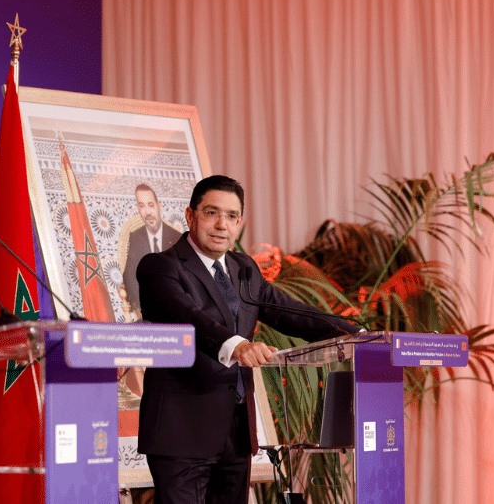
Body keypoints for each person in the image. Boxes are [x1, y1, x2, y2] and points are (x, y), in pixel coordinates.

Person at [136, 175, 360, 504]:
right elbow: (189, 317)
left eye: (231, 216)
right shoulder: (160, 267)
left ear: (240, 222)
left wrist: (358, 333)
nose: (221, 225)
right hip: (181, 434)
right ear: (190, 215)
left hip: (235, 432)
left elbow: (288, 310)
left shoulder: (244, 269)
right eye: (211, 213)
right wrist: (237, 346)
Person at [121, 183, 181, 318]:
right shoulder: (136, 237)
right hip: (147, 312)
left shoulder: (177, 238)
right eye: (142, 206)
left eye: (151, 205)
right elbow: (129, 275)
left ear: (159, 207)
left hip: (175, 312)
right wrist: (141, 306)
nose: (147, 212)